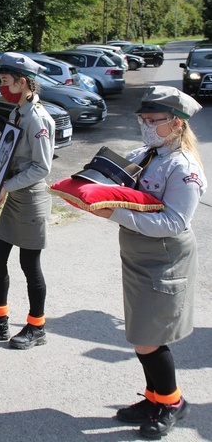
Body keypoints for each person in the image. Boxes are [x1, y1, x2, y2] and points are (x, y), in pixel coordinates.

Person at [89, 86, 207, 438]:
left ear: (176, 124)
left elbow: (174, 222)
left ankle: (172, 402)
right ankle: (155, 396)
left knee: (149, 337)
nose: (145, 126)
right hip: (140, 254)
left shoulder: (182, 167)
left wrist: (114, 214)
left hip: (164, 258)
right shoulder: (148, 153)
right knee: (142, 333)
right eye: (143, 119)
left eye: (153, 121)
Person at [0, 52, 55, 349]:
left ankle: (36, 326)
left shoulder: (38, 118)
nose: (2, 86)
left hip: (30, 198)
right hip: (14, 192)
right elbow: (7, 154)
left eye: (6, 81)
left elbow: (42, 167)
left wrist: (6, 186)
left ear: (23, 82)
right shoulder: (17, 112)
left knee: (29, 264)